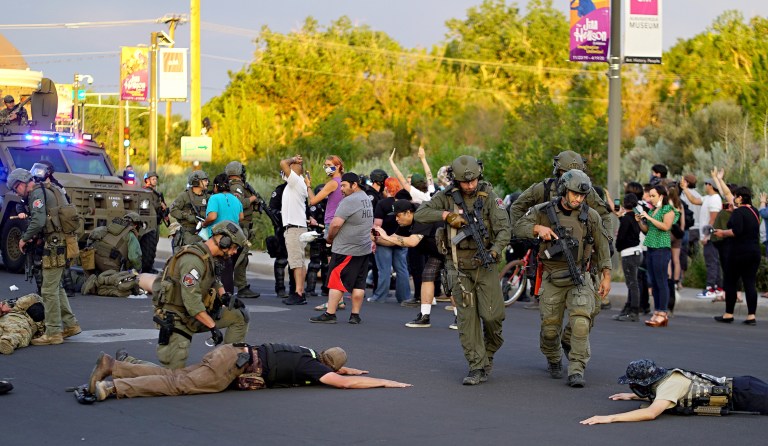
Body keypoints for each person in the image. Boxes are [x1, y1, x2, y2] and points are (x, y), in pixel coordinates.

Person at [415, 155, 511, 385]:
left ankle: (488, 351)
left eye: (474, 181)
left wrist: (495, 251)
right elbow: (420, 214)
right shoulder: (446, 197)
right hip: (457, 267)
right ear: (456, 181)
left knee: (492, 317)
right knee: (467, 321)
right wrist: (446, 215)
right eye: (465, 182)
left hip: (486, 264)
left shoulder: (488, 196)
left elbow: (504, 229)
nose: (470, 186)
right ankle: (476, 366)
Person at [513, 169, 612, 388]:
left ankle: (576, 368)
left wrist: (606, 275)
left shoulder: (591, 216)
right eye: (574, 194)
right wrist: (537, 228)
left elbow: (603, 247)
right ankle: (554, 357)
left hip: (580, 276)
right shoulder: (542, 211)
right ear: (564, 191)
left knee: (580, 322)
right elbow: (517, 227)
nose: (578, 199)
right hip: (552, 277)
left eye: (582, 195)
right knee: (550, 331)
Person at [84, 343, 412, 401]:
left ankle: (117, 367)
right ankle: (114, 387)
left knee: (179, 373)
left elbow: (340, 368)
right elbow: (343, 383)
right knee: (178, 384)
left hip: (231, 352)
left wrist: (355, 368)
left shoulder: (307, 352)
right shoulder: (313, 366)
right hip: (230, 367)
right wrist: (384, 381)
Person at [509, 150, 613, 311]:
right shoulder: (542, 188)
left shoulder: (587, 191)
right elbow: (517, 206)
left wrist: (607, 240)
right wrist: (527, 231)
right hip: (548, 244)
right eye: (567, 172)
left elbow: (604, 214)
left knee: (587, 306)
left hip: (578, 245)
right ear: (558, 171)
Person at [140, 221, 250, 369]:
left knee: (239, 315)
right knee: (172, 377)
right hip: (177, 319)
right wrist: (212, 327)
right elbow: (192, 303)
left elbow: (214, 280)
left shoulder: (209, 257)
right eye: (234, 247)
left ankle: (227, 365)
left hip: (194, 316)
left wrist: (225, 296)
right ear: (225, 242)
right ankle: (125, 364)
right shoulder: (193, 261)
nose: (234, 252)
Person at [7, 168, 81, 346]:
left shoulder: (36, 194)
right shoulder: (47, 189)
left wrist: (24, 239)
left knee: (48, 290)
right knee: (57, 286)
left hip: (55, 243)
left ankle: (53, 332)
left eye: (16, 189)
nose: (17, 193)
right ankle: (70, 324)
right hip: (62, 241)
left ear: (22, 184)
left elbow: (39, 221)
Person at [580, 359, 768, 424]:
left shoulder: (670, 385)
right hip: (743, 387)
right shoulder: (665, 377)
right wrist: (632, 396)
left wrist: (609, 418)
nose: (632, 387)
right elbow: (660, 394)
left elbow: (650, 413)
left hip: (745, 393)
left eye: (635, 384)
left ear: (646, 381)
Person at [310, 173, 373, 325]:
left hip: (346, 249)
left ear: (354, 185)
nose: (341, 189)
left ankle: (330, 313)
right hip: (363, 248)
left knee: (336, 281)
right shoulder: (365, 198)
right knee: (359, 283)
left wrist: (329, 238)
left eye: (344, 185)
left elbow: (336, 224)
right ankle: (355, 315)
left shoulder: (349, 201)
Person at [376, 200, 447, 328]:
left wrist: (385, 237)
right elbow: (393, 240)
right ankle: (424, 316)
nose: (396, 219)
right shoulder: (405, 223)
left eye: (398, 215)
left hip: (451, 251)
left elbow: (412, 242)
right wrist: (375, 238)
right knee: (427, 276)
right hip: (436, 252)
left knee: (451, 284)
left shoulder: (421, 218)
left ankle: (461, 319)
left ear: (408, 213)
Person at [713, 186, 761, 325]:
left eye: (735, 196)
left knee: (731, 282)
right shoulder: (754, 211)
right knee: (750, 283)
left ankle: (728, 313)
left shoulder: (738, 212)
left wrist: (722, 233)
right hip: (754, 251)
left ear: (740, 197)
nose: (733, 198)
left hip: (738, 252)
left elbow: (736, 231)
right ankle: (751, 316)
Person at [635, 185, 678, 327]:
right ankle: (657, 310)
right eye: (649, 196)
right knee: (653, 281)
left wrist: (648, 217)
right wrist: (641, 221)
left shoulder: (668, 210)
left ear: (661, 196)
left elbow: (666, 226)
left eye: (653, 196)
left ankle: (663, 312)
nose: (650, 198)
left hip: (661, 248)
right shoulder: (653, 210)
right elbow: (647, 230)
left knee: (661, 281)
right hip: (651, 247)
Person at [369, 177, 410, 304]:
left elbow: (377, 225)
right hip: (401, 238)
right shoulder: (405, 204)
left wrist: (374, 241)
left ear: (386, 188)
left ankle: (380, 296)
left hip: (384, 240)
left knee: (384, 270)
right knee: (402, 269)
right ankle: (404, 297)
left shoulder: (383, 203)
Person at [202, 173, 244, 293]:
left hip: (218, 239)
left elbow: (212, 216)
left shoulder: (214, 198)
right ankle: (228, 295)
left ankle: (215, 296)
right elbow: (241, 217)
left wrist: (204, 224)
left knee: (213, 268)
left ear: (216, 186)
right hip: (233, 239)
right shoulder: (235, 199)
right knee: (227, 269)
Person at [278, 155, 310, 305]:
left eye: (288, 171)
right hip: (298, 227)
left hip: (294, 228)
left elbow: (283, 163)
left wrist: (292, 160)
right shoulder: (298, 183)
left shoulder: (295, 181)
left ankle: (298, 293)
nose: (284, 172)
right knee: (300, 262)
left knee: (296, 262)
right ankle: (300, 291)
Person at [226, 161, 261, 299]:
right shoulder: (236, 186)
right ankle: (241, 286)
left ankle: (240, 285)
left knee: (242, 258)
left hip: (241, 226)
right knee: (240, 258)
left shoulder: (236, 186)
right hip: (241, 226)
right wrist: (252, 198)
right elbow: (238, 203)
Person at [613, 194, 643, 322]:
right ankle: (629, 308)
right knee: (633, 283)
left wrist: (618, 246)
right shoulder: (635, 217)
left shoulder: (626, 219)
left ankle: (634, 311)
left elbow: (622, 237)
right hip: (637, 252)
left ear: (624, 204)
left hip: (629, 254)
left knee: (632, 284)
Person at [697, 178, 724, 298]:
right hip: (710, 236)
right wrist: (685, 188)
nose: (705, 186)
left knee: (711, 262)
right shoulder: (708, 198)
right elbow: (694, 200)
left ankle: (711, 288)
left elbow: (713, 219)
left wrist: (707, 235)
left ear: (711, 185)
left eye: (706, 184)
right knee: (714, 262)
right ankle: (718, 287)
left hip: (711, 237)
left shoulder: (715, 199)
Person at [169, 170, 209, 250]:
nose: (207, 182)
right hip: (188, 233)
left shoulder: (207, 197)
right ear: (196, 182)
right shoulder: (184, 196)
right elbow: (173, 210)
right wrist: (186, 216)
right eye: (204, 180)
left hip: (203, 232)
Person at [141, 171, 168, 273]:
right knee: (148, 245)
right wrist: (160, 206)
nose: (155, 180)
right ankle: (145, 267)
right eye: (153, 179)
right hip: (148, 223)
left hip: (156, 221)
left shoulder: (156, 193)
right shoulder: (145, 192)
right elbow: (148, 205)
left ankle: (149, 266)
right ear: (147, 180)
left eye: (156, 179)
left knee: (153, 245)